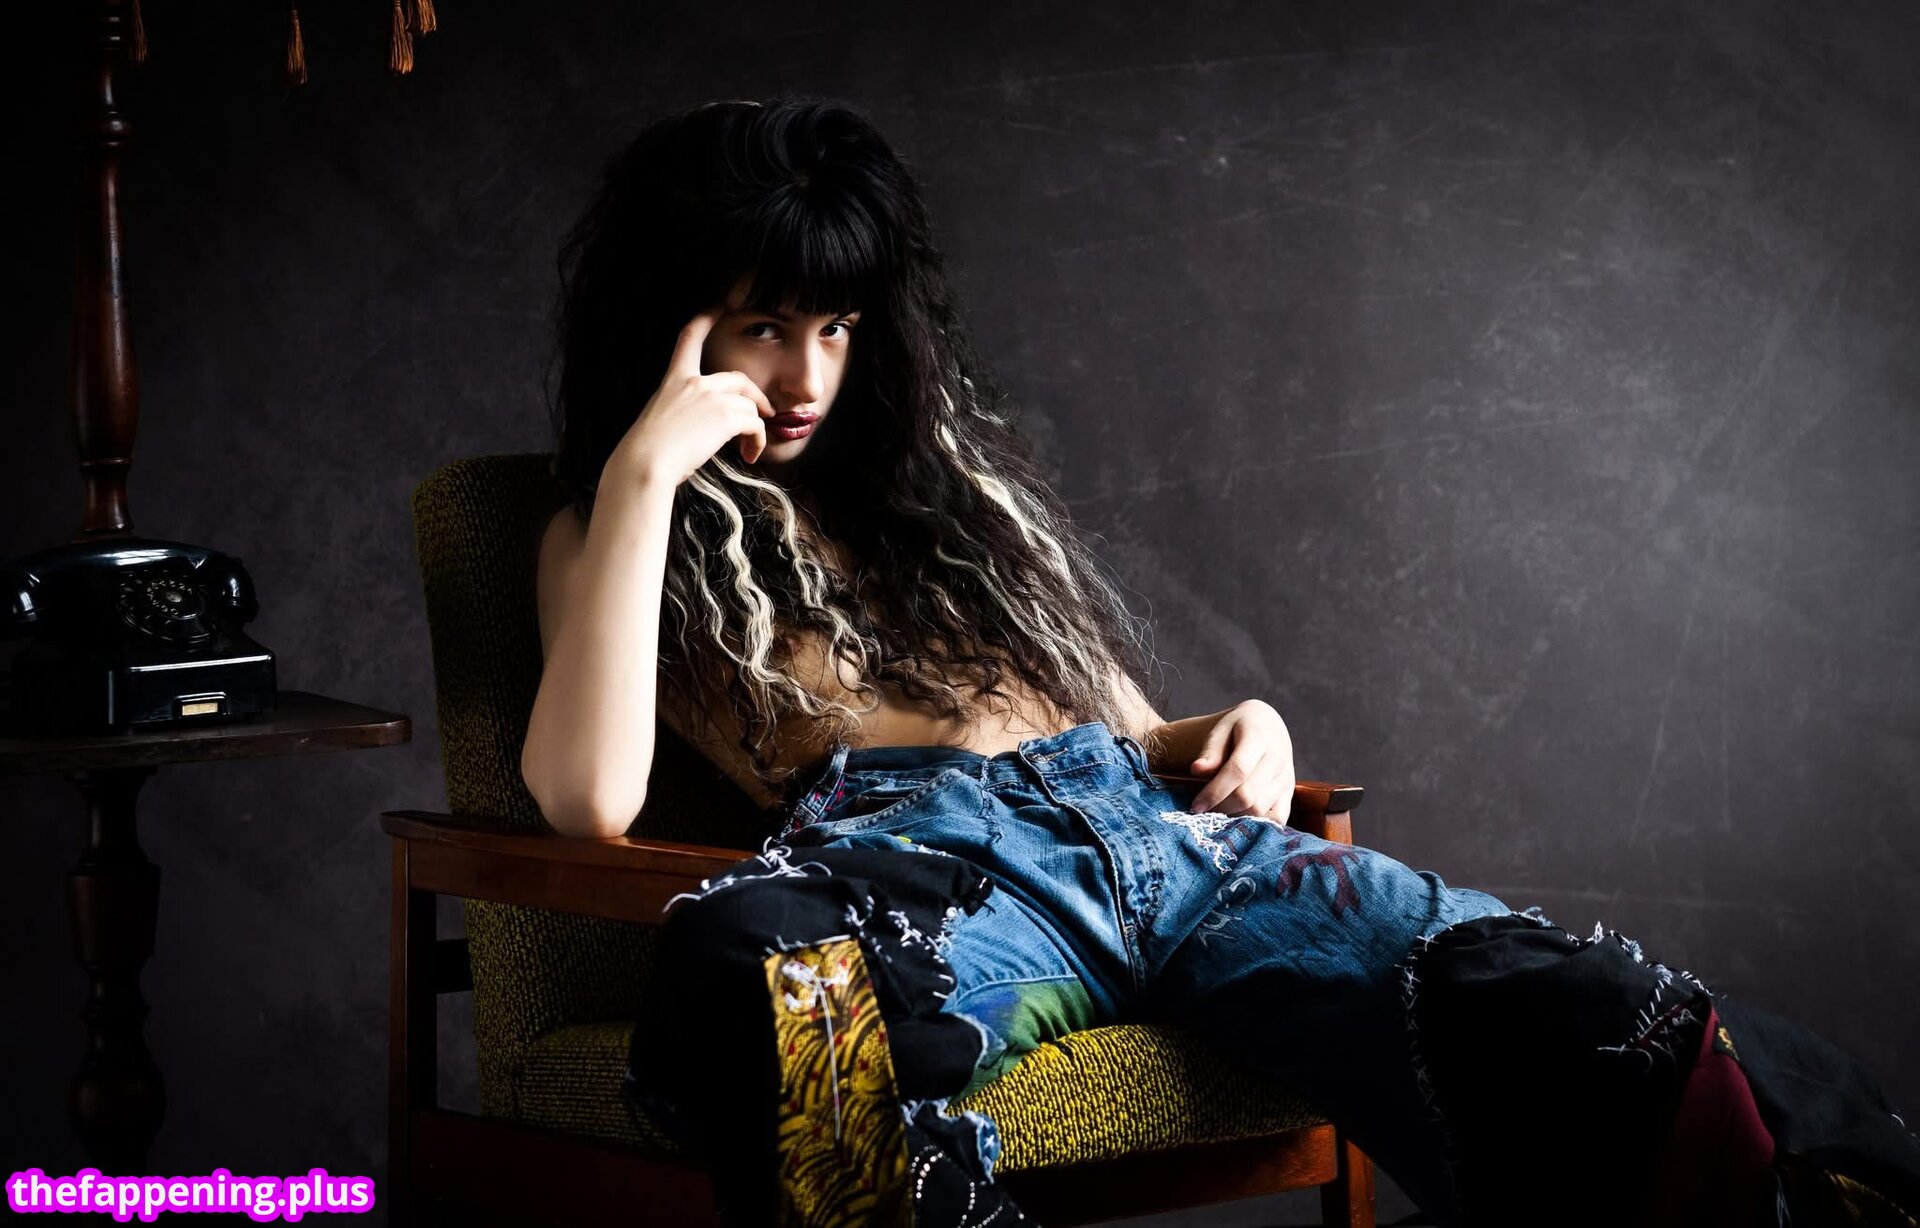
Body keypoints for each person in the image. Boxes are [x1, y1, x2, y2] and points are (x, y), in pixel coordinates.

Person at [520, 97, 1920, 1228]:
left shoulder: (932, 503)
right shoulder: (619, 526)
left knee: (1563, 1004)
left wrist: (1234, 723)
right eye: (763, 327)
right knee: (762, 985)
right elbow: (585, 799)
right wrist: (649, 464)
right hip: (946, 884)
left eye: (834, 327)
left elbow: (1122, 738)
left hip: (1170, 851)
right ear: (674, 319)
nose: (807, 379)